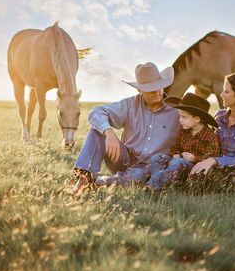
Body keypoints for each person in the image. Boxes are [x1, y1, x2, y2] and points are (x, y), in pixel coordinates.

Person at [72, 62, 180, 193]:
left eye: (160, 86)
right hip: (124, 160)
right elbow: (96, 112)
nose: (157, 92)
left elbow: (199, 130)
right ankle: (84, 179)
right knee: (98, 129)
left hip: (152, 168)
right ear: (140, 90)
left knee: (137, 177)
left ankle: (105, 181)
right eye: (151, 89)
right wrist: (109, 132)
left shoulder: (176, 113)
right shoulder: (130, 104)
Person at [147, 93, 220, 192]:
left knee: (178, 162)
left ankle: (153, 185)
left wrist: (194, 158)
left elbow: (213, 158)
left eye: (184, 117)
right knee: (157, 157)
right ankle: (157, 185)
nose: (180, 120)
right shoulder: (184, 131)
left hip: (193, 169)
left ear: (197, 119)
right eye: (180, 116)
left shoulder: (210, 136)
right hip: (177, 163)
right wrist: (176, 154)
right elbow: (175, 147)